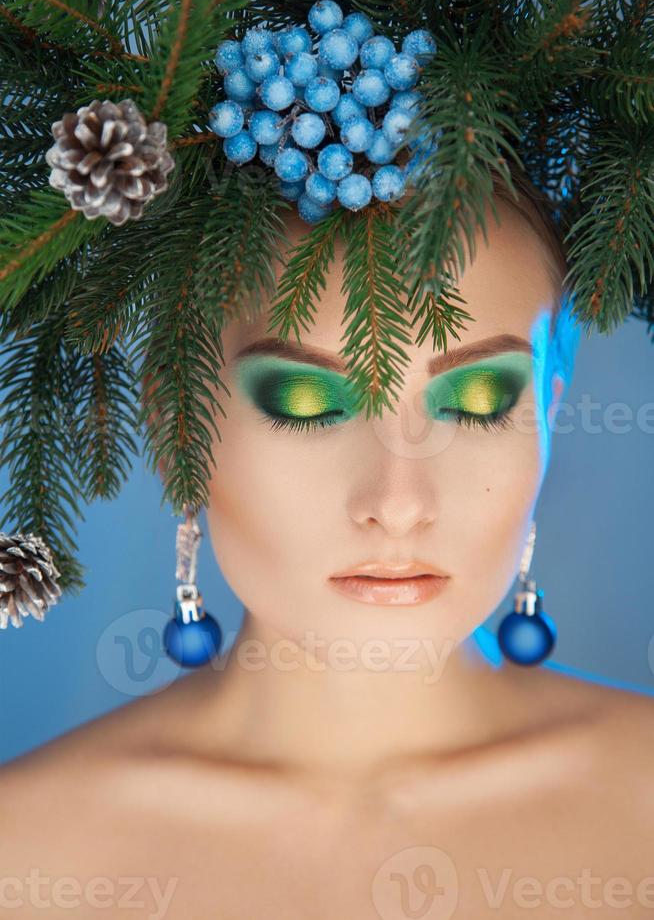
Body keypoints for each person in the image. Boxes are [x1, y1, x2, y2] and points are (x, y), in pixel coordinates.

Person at [1, 169, 653, 920]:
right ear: (174, 421)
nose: (398, 503)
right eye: (308, 404)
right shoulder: (21, 860)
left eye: (477, 401)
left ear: (549, 412)